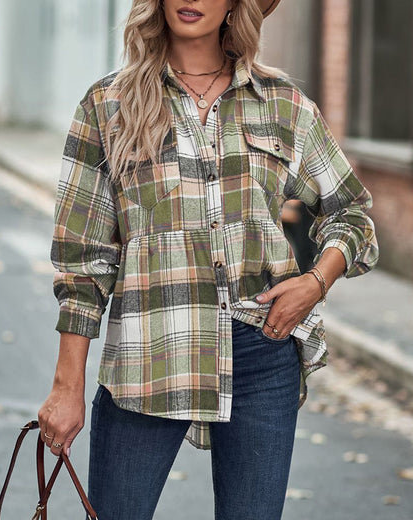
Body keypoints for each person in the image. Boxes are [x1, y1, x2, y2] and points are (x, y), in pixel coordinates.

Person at [38, 0, 379, 518]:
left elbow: (352, 214)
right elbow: (83, 263)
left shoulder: (282, 103)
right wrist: (67, 388)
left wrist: (315, 281)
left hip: (262, 350)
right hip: (147, 357)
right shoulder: (107, 105)